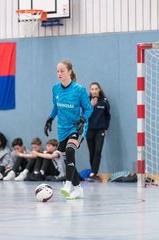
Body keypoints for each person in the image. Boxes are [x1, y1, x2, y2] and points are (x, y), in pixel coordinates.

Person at [44, 60, 93, 199]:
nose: (59, 74)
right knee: (68, 158)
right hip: (62, 128)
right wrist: (50, 118)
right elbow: (56, 107)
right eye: (57, 71)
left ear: (69, 71)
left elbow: (89, 108)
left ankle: (68, 183)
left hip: (77, 127)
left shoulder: (79, 90)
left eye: (62, 71)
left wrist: (83, 119)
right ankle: (78, 189)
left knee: (70, 150)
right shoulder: (55, 88)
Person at [86, 82, 111, 182]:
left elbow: (108, 116)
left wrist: (106, 128)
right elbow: (83, 114)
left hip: (100, 130)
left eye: (96, 89)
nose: (94, 91)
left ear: (99, 90)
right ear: (90, 91)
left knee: (98, 151)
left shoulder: (104, 101)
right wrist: (91, 105)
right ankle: (93, 172)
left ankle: (93, 173)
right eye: (92, 89)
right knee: (91, 152)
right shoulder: (86, 101)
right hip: (89, 130)